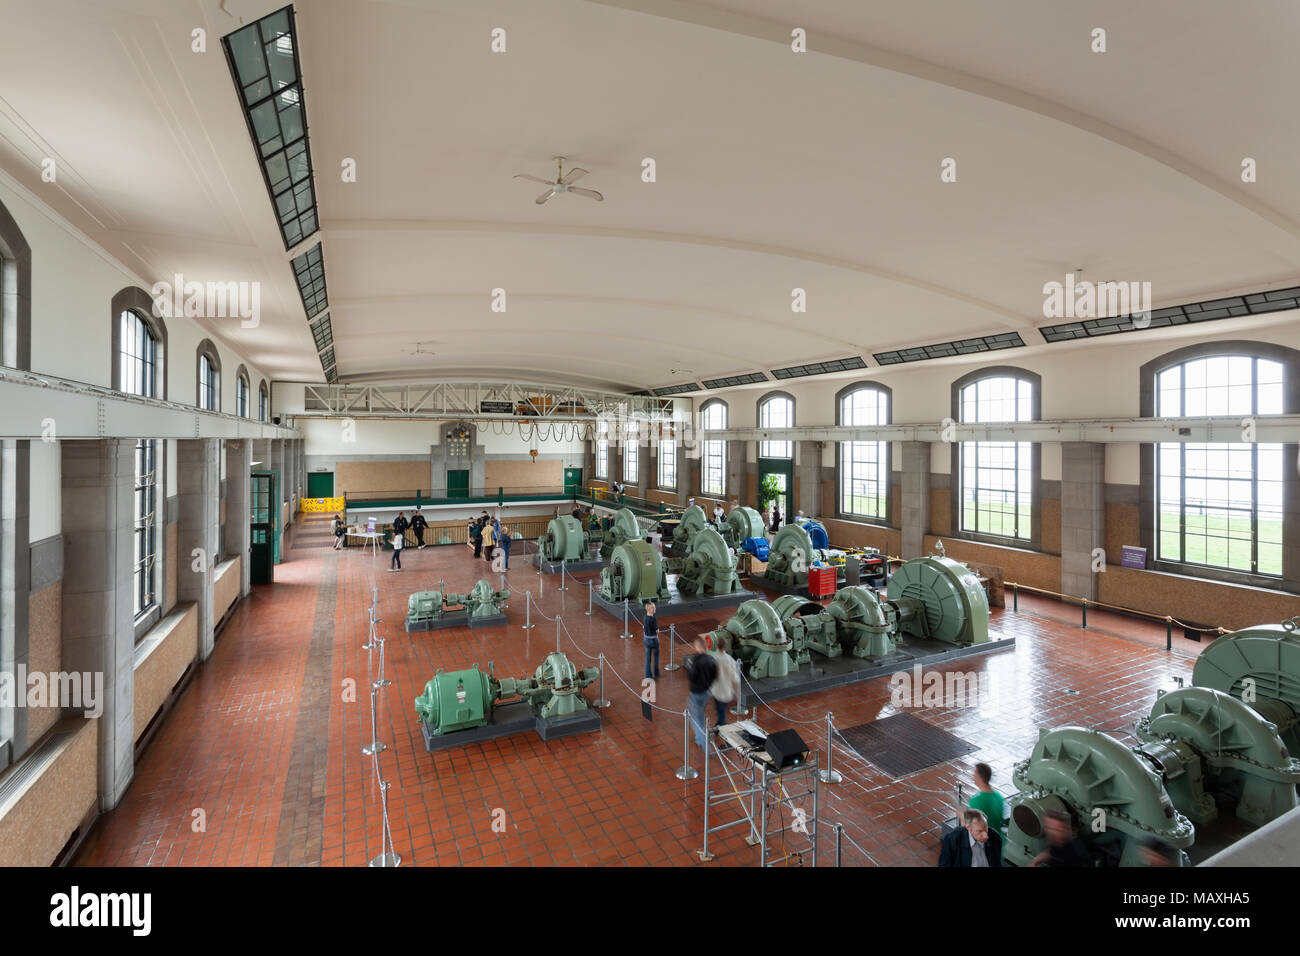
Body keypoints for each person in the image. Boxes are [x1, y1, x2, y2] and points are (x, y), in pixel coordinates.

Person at [683, 639, 719, 748]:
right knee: (700, 714)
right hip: (707, 691)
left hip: (696, 692)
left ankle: (702, 742)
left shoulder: (695, 660)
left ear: (697, 647)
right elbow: (715, 675)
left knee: (695, 718)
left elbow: (691, 676)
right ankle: (700, 736)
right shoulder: (711, 659)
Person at [938, 809, 1003, 867]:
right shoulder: (953, 839)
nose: (986, 836)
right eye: (980, 831)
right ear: (968, 827)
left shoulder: (995, 838)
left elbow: (997, 863)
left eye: (986, 829)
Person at [968, 763, 1005, 852]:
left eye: (974, 774)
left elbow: (970, 827)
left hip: (983, 845)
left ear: (979, 778)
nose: (973, 777)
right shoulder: (998, 796)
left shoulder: (976, 801)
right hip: (998, 841)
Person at [707, 635, 740, 729]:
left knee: (720, 712)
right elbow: (735, 678)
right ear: (725, 647)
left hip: (716, 691)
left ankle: (721, 727)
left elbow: (710, 676)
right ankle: (720, 725)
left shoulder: (714, 658)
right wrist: (736, 693)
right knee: (721, 711)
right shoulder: (730, 660)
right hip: (727, 691)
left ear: (717, 646)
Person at [642, 601, 660, 680]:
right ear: (649, 609)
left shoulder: (645, 617)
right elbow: (657, 631)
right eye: (653, 607)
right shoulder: (653, 619)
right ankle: (656, 673)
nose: (654, 608)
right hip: (653, 640)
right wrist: (657, 631)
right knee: (656, 657)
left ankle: (648, 675)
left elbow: (644, 627)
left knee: (647, 658)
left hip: (646, 640)